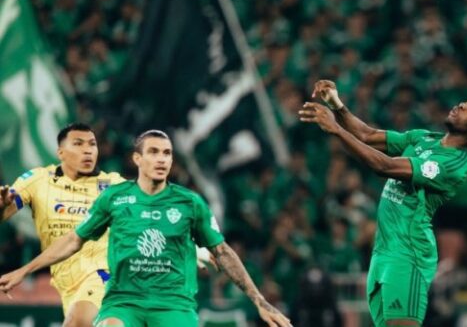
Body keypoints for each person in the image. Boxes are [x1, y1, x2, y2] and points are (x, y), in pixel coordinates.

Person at [0, 129, 291, 327]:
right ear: (137, 159)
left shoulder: (190, 203)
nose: (161, 159)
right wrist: (24, 270)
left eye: (167, 153)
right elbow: (73, 240)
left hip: (173, 305)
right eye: (153, 152)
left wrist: (259, 300)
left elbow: (222, 251)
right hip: (124, 302)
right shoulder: (114, 198)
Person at [299, 80, 467, 327]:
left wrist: (336, 130)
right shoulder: (425, 138)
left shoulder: (454, 165)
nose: (464, 104)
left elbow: (385, 166)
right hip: (383, 252)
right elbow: (367, 135)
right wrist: (337, 105)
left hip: (408, 255)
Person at [0, 123, 123, 327]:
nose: (87, 150)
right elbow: (5, 212)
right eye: (78, 144)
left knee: (76, 321)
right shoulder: (39, 180)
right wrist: (3, 206)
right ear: (61, 152)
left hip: (103, 275)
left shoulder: (114, 185)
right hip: (67, 284)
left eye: (92, 144)